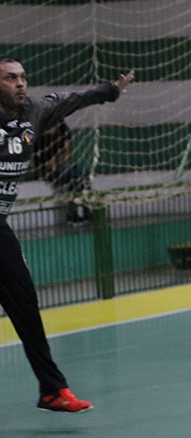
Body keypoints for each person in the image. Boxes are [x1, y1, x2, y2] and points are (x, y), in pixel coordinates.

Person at [0, 55, 134, 412]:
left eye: (22, 77)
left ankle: (52, 390)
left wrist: (109, 90)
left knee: (25, 307)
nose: (20, 83)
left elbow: (72, 99)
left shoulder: (34, 112)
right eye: (10, 78)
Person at [32, 119, 91, 225]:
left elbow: (68, 150)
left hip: (60, 165)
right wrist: (45, 163)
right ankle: (72, 215)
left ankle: (86, 211)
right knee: (74, 179)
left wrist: (57, 160)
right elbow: (31, 155)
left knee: (83, 176)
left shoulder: (62, 127)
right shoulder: (37, 128)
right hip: (44, 168)